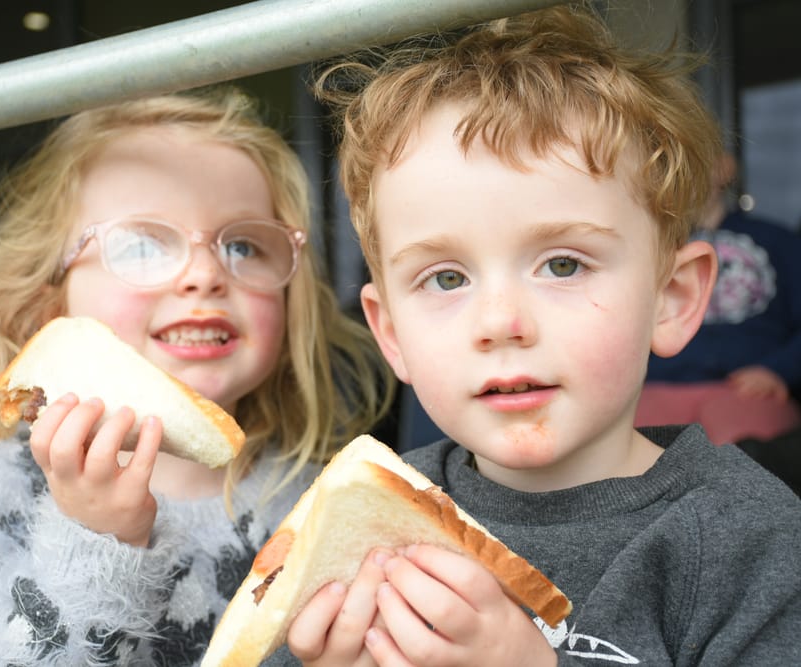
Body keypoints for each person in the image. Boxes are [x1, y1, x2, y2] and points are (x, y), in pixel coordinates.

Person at [276, 4, 801, 665]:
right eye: (445, 279)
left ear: (671, 298)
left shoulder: (747, 535)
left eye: (562, 265)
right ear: (392, 334)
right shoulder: (362, 524)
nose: (500, 322)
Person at [0, 87, 394, 665]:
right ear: (46, 305)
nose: (205, 274)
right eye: (143, 245)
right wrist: (96, 541)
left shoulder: (320, 499)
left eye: (244, 246)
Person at [638, 151, 801, 445]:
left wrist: (777, 370)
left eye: (690, 160)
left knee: (744, 452)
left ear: (725, 168)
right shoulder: (649, 245)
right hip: (658, 385)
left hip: (747, 388)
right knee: (634, 451)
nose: (678, 174)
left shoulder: (777, 240)